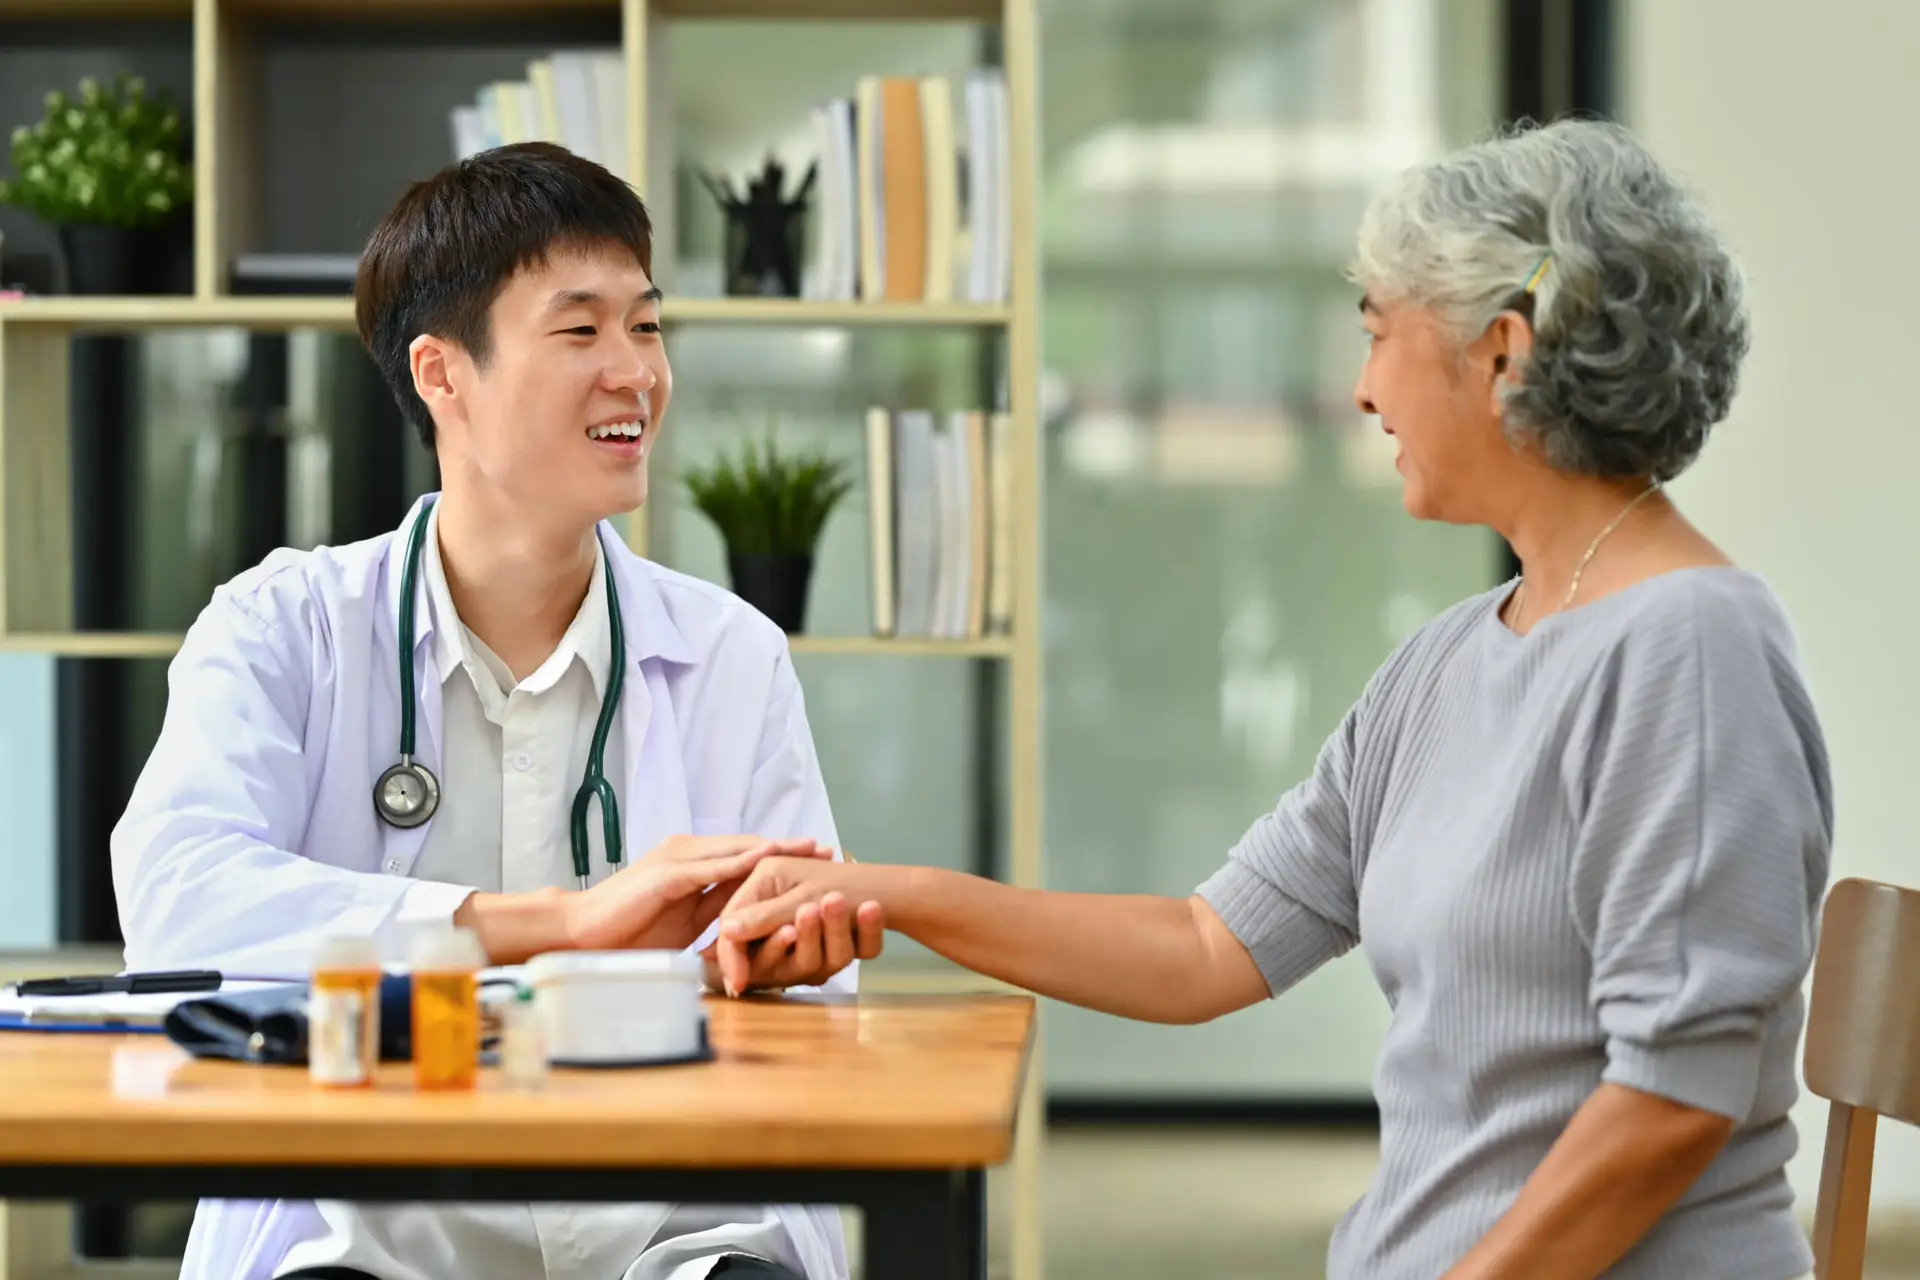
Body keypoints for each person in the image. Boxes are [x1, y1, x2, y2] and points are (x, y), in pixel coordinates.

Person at [712, 118, 1833, 1280]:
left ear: (1502, 354)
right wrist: (889, 895)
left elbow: (1673, 1095)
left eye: (1378, 333)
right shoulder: (1453, 656)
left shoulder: (1695, 648)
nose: (1359, 388)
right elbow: (1206, 945)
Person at [109, 141, 882, 1280]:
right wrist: (554, 924)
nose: (635, 372)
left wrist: (785, 955)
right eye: (580, 331)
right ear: (442, 375)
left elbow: (813, 999)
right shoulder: (284, 628)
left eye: (648, 325)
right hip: (360, 1234)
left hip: (675, 1236)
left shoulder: (728, 654)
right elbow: (181, 908)